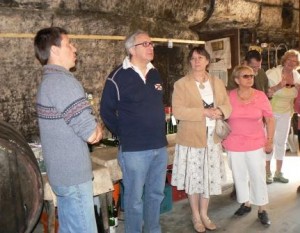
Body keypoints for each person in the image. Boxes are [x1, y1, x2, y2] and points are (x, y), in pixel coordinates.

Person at [34, 27, 102, 233]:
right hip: (73, 177)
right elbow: (92, 134)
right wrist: (96, 126)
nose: (75, 49)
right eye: (69, 44)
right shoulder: (63, 82)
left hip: (62, 176)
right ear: (54, 50)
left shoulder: (48, 82)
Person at [100, 30, 168, 233]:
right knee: (134, 200)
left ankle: (153, 230)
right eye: (145, 44)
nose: (151, 47)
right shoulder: (117, 77)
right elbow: (106, 111)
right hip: (134, 150)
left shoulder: (155, 73)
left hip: (159, 146)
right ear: (131, 49)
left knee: (156, 194)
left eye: (151, 43)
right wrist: (125, 133)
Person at [171, 46, 232, 232]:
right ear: (190, 62)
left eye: (201, 57)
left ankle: (205, 214)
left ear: (207, 61)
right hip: (191, 139)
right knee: (194, 179)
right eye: (193, 58)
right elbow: (178, 111)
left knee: (208, 178)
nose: (196, 61)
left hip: (212, 139)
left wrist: (220, 111)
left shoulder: (217, 82)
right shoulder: (181, 84)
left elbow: (227, 105)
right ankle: (195, 216)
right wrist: (204, 112)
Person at [223, 65, 275, 226]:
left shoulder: (260, 96)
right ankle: (246, 203)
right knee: (239, 176)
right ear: (237, 80)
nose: (250, 78)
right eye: (245, 76)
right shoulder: (229, 96)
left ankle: (262, 208)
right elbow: (222, 117)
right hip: (234, 143)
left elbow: (270, 118)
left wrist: (270, 140)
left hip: (255, 143)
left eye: (251, 76)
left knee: (257, 175)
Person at [266, 49, 300, 184]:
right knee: (269, 141)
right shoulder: (273, 73)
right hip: (271, 111)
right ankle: (267, 172)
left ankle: (278, 172)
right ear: (284, 60)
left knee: (282, 141)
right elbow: (267, 93)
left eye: (295, 61)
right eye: (289, 60)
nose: (291, 63)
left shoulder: (296, 76)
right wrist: (279, 86)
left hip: (287, 112)